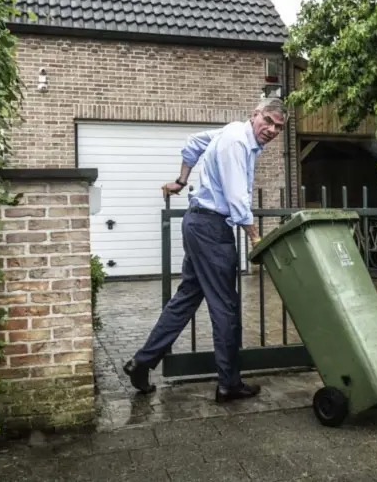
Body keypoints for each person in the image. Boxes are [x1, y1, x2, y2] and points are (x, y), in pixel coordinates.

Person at [123, 97, 287, 403]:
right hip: (211, 228)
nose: (272, 130)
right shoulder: (238, 143)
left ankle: (141, 363)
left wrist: (180, 180)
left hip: (198, 224)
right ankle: (229, 383)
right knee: (225, 307)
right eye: (268, 121)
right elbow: (237, 196)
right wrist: (255, 236)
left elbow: (194, 142)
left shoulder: (232, 132)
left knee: (186, 300)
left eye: (278, 127)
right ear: (255, 115)